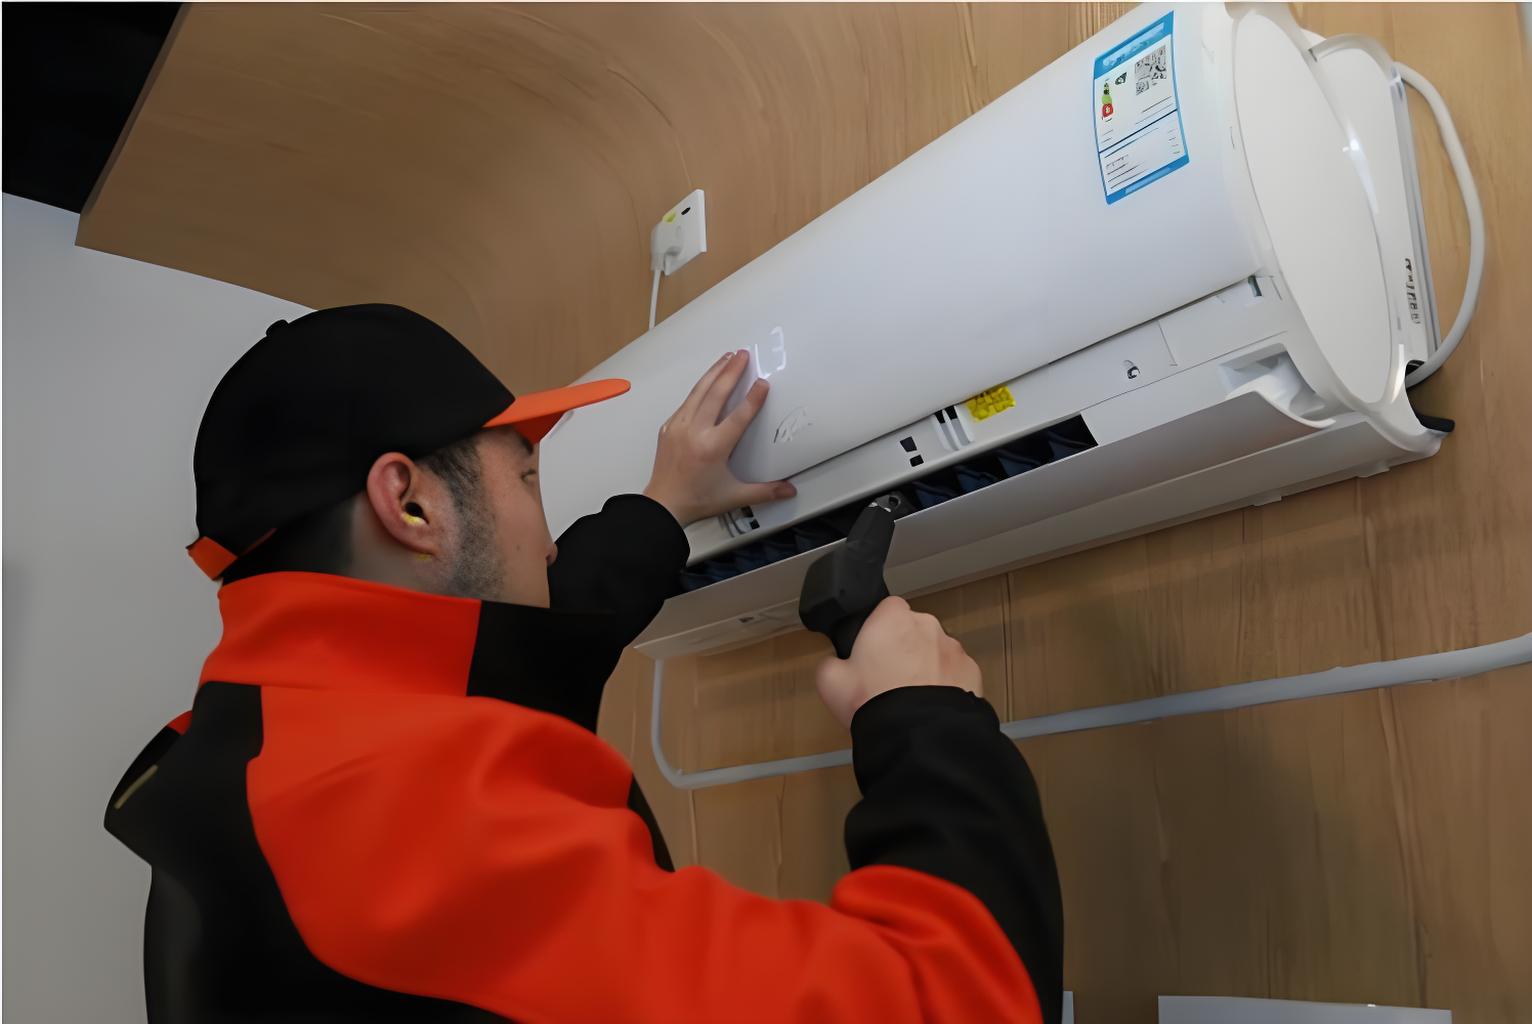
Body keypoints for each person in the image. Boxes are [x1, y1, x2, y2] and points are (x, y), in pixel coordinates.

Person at [105, 304, 1063, 1023]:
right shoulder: (414, 840)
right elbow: (953, 1000)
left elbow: (511, 640)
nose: (550, 538)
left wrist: (662, 507)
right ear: (409, 505)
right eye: (526, 477)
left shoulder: (277, 727)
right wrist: (924, 717)